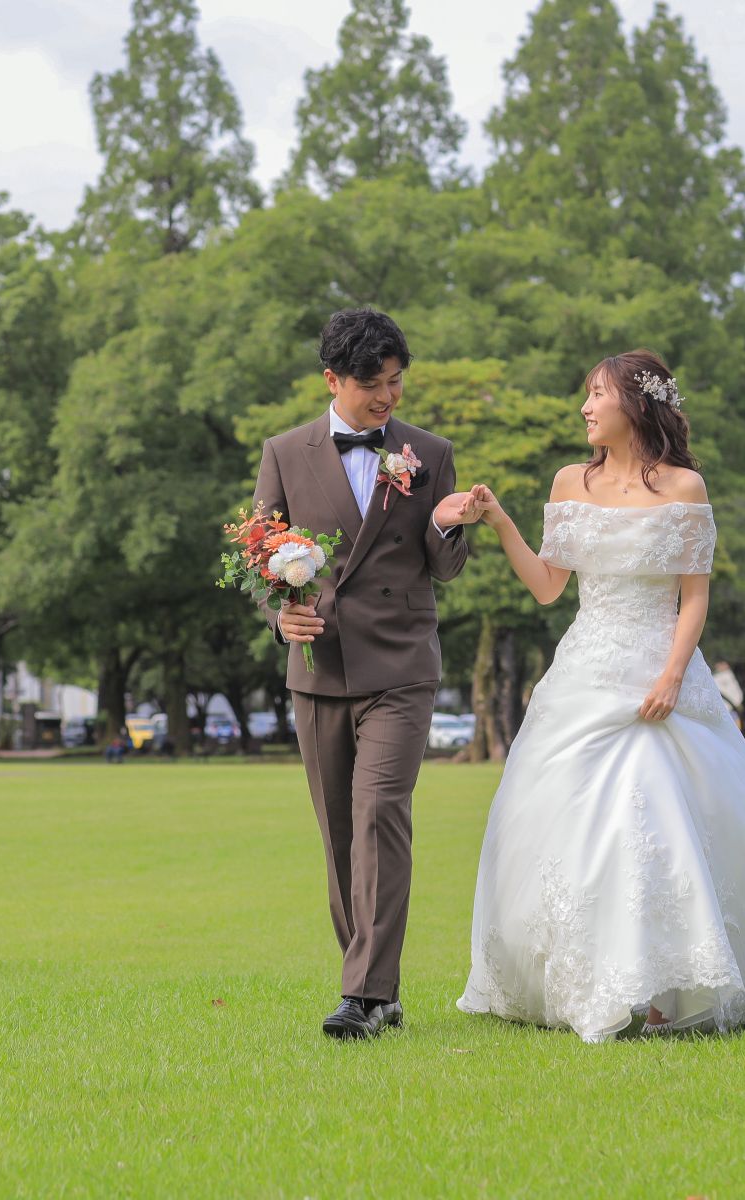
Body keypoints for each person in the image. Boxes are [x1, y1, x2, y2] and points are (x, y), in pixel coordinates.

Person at [456, 349, 745, 1042]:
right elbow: (549, 586)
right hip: (584, 674)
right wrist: (499, 522)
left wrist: (669, 676)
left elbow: (694, 599)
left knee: (659, 821)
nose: (585, 408)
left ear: (635, 405)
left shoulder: (685, 489)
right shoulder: (569, 481)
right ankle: (587, 984)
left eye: (597, 395)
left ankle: (667, 993)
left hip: (660, 673)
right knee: (572, 830)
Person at [250, 308, 483, 1040]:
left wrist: (449, 523)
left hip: (401, 667)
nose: (387, 399)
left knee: (381, 814)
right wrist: (279, 613)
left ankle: (362, 994)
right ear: (331, 380)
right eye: (371, 385)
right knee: (339, 834)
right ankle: (377, 987)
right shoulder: (284, 453)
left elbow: (442, 567)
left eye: (396, 383)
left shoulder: (429, 452)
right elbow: (262, 556)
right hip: (317, 668)